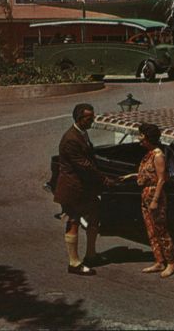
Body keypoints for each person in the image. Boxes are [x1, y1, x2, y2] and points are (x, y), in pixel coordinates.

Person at [54, 103, 115, 276]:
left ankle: (91, 254)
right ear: (80, 119)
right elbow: (85, 165)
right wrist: (104, 179)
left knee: (94, 217)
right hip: (73, 187)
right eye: (90, 118)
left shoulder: (81, 133)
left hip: (84, 187)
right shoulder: (71, 139)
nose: (93, 121)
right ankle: (74, 263)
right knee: (73, 221)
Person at [121, 123, 174, 278]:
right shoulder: (150, 153)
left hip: (154, 195)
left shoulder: (158, 155)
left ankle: (171, 263)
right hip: (146, 194)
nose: (139, 138)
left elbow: (161, 180)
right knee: (151, 230)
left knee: (161, 230)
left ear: (148, 138)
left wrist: (155, 200)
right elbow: (148, 174)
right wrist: (133, 176)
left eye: (141, 136)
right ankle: (159, 261)